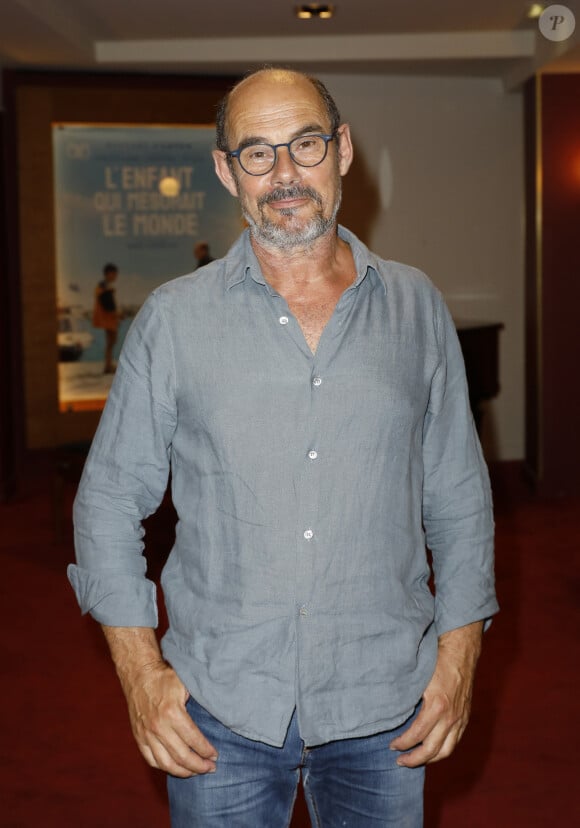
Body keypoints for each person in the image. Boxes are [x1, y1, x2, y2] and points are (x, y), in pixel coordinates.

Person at [69, 68, 498, 827]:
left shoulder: (416, 306)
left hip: (385, 705)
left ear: (342, 151)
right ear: (225, 170)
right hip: (219, 711)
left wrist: (459, 661)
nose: (285, 174)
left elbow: (459, 501)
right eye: (257, 153)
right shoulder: (173, 321)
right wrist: (141, 675)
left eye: (303, 144)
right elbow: (107, 502)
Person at [92, 262, 119, 373]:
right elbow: (108, 306)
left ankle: (108, 365)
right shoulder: (104, 288)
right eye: (114, 274)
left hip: (109, 318)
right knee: (110, 342)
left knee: (111, 342)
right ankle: (108, 366)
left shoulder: (104, 287)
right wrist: (116, 314)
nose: (115, 276)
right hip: (108, 319)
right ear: (109, 274)